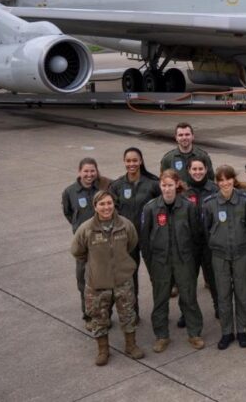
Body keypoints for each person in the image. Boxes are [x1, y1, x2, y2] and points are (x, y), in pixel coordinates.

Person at [71, 191, 145, 366]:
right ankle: (103, 350)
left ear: (114, 204)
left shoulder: (125, 225)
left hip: (122, 280)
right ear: (95, 206)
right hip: (98, 283)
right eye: (102, 204)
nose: (106, 207)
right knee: (99, 317)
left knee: (128, 314)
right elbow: (77, 251)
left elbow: (132, 243)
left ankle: (131, 345)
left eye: (109, 203)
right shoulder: (86, 229)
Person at [139, 169, 205, 352]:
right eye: (163, 185)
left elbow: (197, 237)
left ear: (177, 185)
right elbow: (145, 241)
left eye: (170, 185)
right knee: (160, 299)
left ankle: (195, 333)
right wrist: (151, 265)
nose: (167, 189)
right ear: (160, 186)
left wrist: (193, 264)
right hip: (161, 262)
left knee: (189, 298)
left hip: (184, 261)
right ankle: (161, 336)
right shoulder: (150, 208)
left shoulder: (189, 207)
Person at [201, 165, 246, 349]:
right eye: (221, 180)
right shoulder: (209, 203)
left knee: (242, 294)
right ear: (217, 182)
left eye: (228, 179)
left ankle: (242, 329)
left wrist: (243, 242)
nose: (225, 183)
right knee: (223, 295)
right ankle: (226, 332)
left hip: (241, 253)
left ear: (234, 179)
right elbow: (206, 229)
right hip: (220, 255)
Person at [110, 147, 160, 320]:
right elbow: (111, 211)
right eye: (128, 160)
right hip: (127, 240)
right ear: (124, 162)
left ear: (141, 161)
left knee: (157, 277)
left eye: (135, 160)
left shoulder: (153, 184)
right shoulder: (116, 186)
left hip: (150, 238)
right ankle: (133, 313)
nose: (131, 164)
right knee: (130, 279)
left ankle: (160, 313)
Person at [62, 158, 105, 321]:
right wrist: (78, 227)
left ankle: (103, 313)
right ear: (79, 172)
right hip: (83, 244)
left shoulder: (101, 189)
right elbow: (68, 213)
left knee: (101, 278)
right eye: (86, 171)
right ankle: (87, 311)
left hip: (101, 241)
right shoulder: (70, 192)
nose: (89, 174)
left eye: (92, 171)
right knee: (82, 278)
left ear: (97, 171)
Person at [183, 158, 219, 317]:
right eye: (194, 169)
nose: (197, 172)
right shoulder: (183, 190)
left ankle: (219, 309)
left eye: (200, 169)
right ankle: (187, 313)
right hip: (190, 243)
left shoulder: (214, 189)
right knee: (188, 281)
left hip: (209, 242)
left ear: (206, 169)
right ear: (189, 171)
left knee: (214, 280)